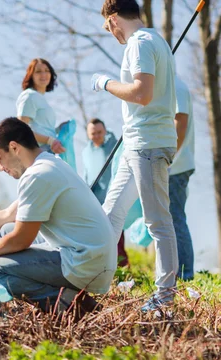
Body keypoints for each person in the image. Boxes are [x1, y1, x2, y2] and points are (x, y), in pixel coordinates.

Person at [0, 118, 117, 319]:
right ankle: (65, 296)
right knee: (6, 229)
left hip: (86, 262)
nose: (0, 168)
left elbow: (21, 240)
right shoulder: (50, 163)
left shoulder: (37, 175)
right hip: (93, 255)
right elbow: (7, 215)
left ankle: (71, 305)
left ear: (14, 148)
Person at [92, 0, 178, 312]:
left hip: (149, 144)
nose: (109, 32)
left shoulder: (139, 43)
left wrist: (105, 83)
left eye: (107, 26)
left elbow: (142, 93)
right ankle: (93, 281)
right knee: (111, 214)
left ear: (113, 19)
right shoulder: (157, 40)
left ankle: (164, 299)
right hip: (136, 144)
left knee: (158, 222)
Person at [82, 118, 130, 267]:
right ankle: (102, 267)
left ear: (105, 131)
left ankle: (122, 267)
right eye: (93, 133)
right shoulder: (86, 152)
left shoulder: (113, 144)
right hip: (95, 201)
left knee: (117, 235)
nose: (96, 135)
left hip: (113, 196)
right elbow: (87, 174)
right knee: (99, 236)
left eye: (99, 132)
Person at [170, 77, 195, 280]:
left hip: (175, 166)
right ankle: (178, 273)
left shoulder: (176, 86)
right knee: (172, 220)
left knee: (175, 219)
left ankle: (185, 274)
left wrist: (167, 160)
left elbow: (181, 124)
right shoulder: (170, 85)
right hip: (175, 165)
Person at [16, 58, 65, 154]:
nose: (43, 75)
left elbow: (42, 128)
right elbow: (21, 131)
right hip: (37, 152)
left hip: (47, 150)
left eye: (47, 71)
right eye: (38, 72)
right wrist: (49, 140)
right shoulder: (29, 96)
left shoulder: (40, 98)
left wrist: (58, 130)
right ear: (31, 76)